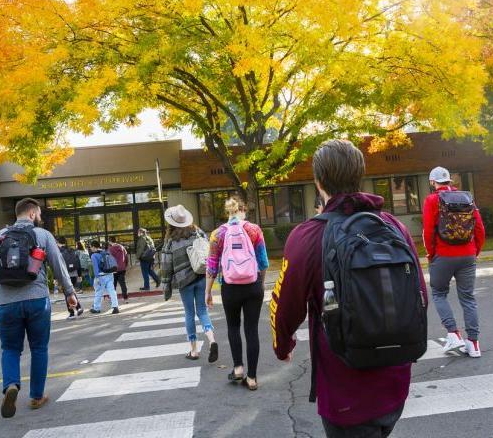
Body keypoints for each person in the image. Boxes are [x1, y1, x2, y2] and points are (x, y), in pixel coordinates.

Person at [270, 140, 427, 437]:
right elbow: (420, 295)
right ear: (360, 175)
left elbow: (285, 307)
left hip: (345, 389)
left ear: (318, 181)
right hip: (395, 382)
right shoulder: (394, 226)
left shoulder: (307, 235)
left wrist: (283, 345)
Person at [0, 198, 77, 418]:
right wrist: (69, 293)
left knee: (10, 349)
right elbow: (58, 265)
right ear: (32, 214)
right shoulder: (43, 236)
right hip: (37, 299)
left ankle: (11, 385)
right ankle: (36, 396)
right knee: (39, 348)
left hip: (5, 301)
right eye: (39, 214)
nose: (40, 217)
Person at [206, 197, 269, 391]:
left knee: (233, 326)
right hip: (253, 286)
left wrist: (207, 292)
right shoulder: (254, 230)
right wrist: (261, 283)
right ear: (243, 210)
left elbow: (212, 267)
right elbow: (263, 262)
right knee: (251, 330)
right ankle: (252, 378)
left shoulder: (218, 234)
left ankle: (238, 368)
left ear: (228, 212)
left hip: (230, 287)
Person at [423, 166, 486, 357]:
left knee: (439, 293)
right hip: (468, 254)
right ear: (450, 181)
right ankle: (474, 344)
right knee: (468, 298)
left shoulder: (432, 199)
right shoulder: (467, 197)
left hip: (442, 255)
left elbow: (427, 231)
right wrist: (475, 251)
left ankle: (453, 334)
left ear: (433, 183)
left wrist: (431, 254)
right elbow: (480, 228)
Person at [160, 205, 218, 362]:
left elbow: (166, 266)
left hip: (184, 281)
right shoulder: (198, 233)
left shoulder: (170, 241)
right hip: (200, 276)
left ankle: (194, 350)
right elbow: (209, 252)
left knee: (189, 314)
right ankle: (212, 340)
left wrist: (166, 287)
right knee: (203, 311)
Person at [56, 236, 84, 319]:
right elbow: (78, 263)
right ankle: (78, 308)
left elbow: (58, 266)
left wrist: (55, 278)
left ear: (58, 242)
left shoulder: (59, 252)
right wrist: (79, 275)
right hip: (74, 274)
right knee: (71, 292)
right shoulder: (72, 250)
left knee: (67, 294)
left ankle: (72, 312)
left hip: (65, 275)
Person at [89, 240, 120, 315]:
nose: (90, 248)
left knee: (98, 292)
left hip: (101, 276)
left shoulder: (94, 255)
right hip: (109, 274)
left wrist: (97, 278)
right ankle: (115, 307)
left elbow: (95, 268)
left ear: (93, 247)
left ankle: (96, 308)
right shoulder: (105, 252)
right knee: (112, 291)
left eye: (91, 247)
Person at [108, 236, 129, 301]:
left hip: (114, 269)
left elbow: (109, 260)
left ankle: (113, 299)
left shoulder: (110, 249)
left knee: (113, 285)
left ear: (110, 241)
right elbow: (126, 257)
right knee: (123, 283)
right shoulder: (122, 247)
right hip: (122, 268)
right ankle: (125, 298)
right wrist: (125, 265)